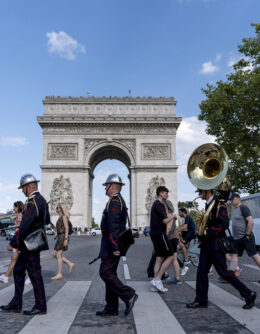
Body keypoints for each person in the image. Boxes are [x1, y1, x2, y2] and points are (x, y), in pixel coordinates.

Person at [186, 188, 256, 310]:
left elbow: (223, 224)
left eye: (200, 192)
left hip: (215, 245)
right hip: (207, 244)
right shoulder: (209, 204)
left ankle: (248, 293)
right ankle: (201, 300)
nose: (199, 194)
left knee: (224, 273)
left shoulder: (219, 204)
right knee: (201, 272)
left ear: (206, 191)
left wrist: (208, 232)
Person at [0, 174, 50, 315]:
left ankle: (41, 306)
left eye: (23, 188)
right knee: (18, 270)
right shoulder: (42, 201)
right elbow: (46, 220)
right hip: (31, 243)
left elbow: (25, 225)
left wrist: (13, 243)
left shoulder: (31, 201)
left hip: (29, 244)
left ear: (28, 187)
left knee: (35, 275)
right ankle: (16, 302)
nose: (22, 191)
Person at [96, 174, 138, 317]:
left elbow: (114, 226)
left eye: (106, 186)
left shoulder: (115, 201)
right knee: (111, 274)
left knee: (105, 273)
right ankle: (111, 307)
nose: (105, 188)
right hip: (110, 243)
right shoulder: (116, 200)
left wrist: (114, 247)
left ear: (112, 186)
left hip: (111, 244)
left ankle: (129, 294)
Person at [150, 186, 175, 293]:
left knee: (159, 258)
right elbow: (165, 220)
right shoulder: (159, 204)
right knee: (170, 256)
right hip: (160, 233)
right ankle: (158, 279)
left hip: (155, 233)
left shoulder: (156, 204)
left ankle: (155, 284)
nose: (167, 195)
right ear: (161, 193)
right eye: (166, 193)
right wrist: (173, 216)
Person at [229, 193, 260, 280]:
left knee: (254, 255)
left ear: (238, 198)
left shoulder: (243, 208)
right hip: (237, 238)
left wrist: (247, 235)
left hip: (246, 237)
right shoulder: (236, 209)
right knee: (234, 255)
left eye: (232, 199)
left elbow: (251, 221)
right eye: (230, 200)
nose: (231, 201)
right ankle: (231, 275)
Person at [0, 201, 24, 284]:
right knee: (13, 259)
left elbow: (20, 226)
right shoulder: (19, 214)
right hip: (18, 238)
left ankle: (6, 276)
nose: (13, 208)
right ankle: (6, 276)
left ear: (18, 207)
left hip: (18, 238)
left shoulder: (19, 215)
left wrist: (14, 230)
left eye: (14, 207)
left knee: (11, 252)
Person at [51, 204, 76, 280]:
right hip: (59, 237)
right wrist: (54, 227)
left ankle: (59, 274)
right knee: (55, 254)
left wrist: (65, 239)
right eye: (56, 207)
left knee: (58, 255)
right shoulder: (60, 217)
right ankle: (70, 264)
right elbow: (60, 227)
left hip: (62, 237)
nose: (56, 208)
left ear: (62, 209)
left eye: (58, 207)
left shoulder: (64, 217)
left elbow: (66, 228)